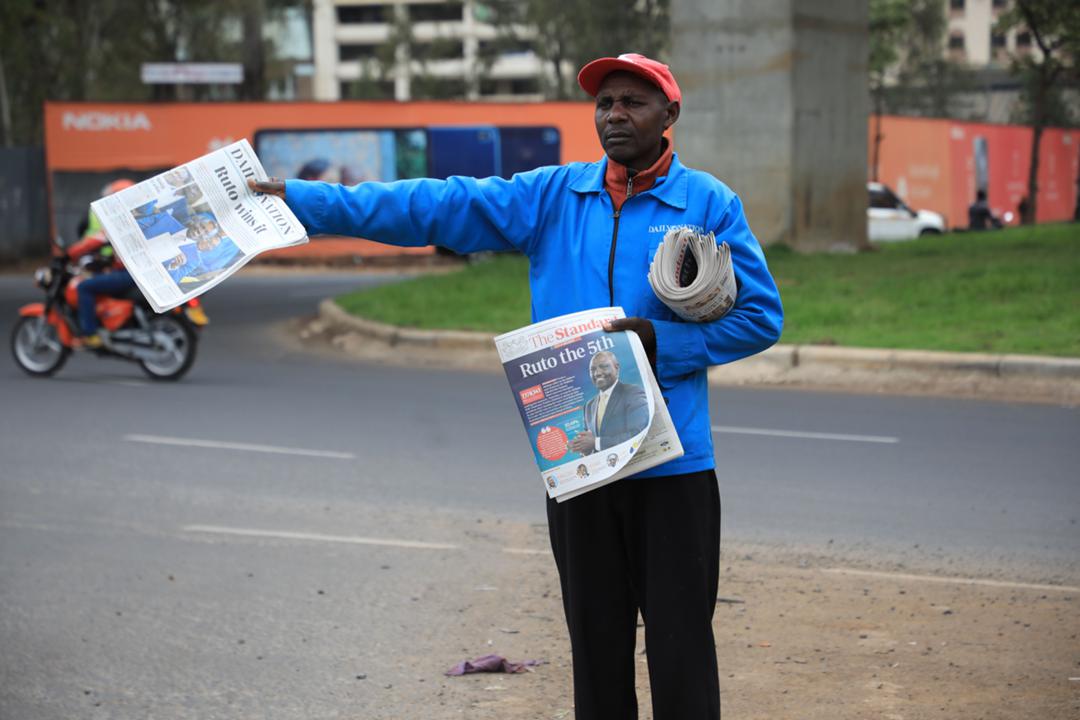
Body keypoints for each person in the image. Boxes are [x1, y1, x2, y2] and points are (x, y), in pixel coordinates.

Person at [251, 52, 783, 720]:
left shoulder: (706, 202)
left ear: (669, 114)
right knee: (595, 647)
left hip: (673, 468)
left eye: (633, 102)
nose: (615, 114)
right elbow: (434, 206)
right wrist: (302, 201)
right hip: (581, 462)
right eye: (605, 103)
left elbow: (762, 318)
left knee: (680, 651)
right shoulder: (553, 197)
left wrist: (660, 342)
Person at [70, 179, 138, 349]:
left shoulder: (120, 221)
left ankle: (90, 334)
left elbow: (95, 240)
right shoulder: (140, 216)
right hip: (132, 271)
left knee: (84, 287)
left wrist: (70, 253)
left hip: (128, 274)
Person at [568, 350, 649, 456]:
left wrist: (596, 443)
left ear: (617, 367)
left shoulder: (632, 393)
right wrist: (582, 447)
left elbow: (639, 434)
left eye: (603, 366)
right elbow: (591, 444)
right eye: (592, 369)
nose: (597, 373)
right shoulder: (589, 406)